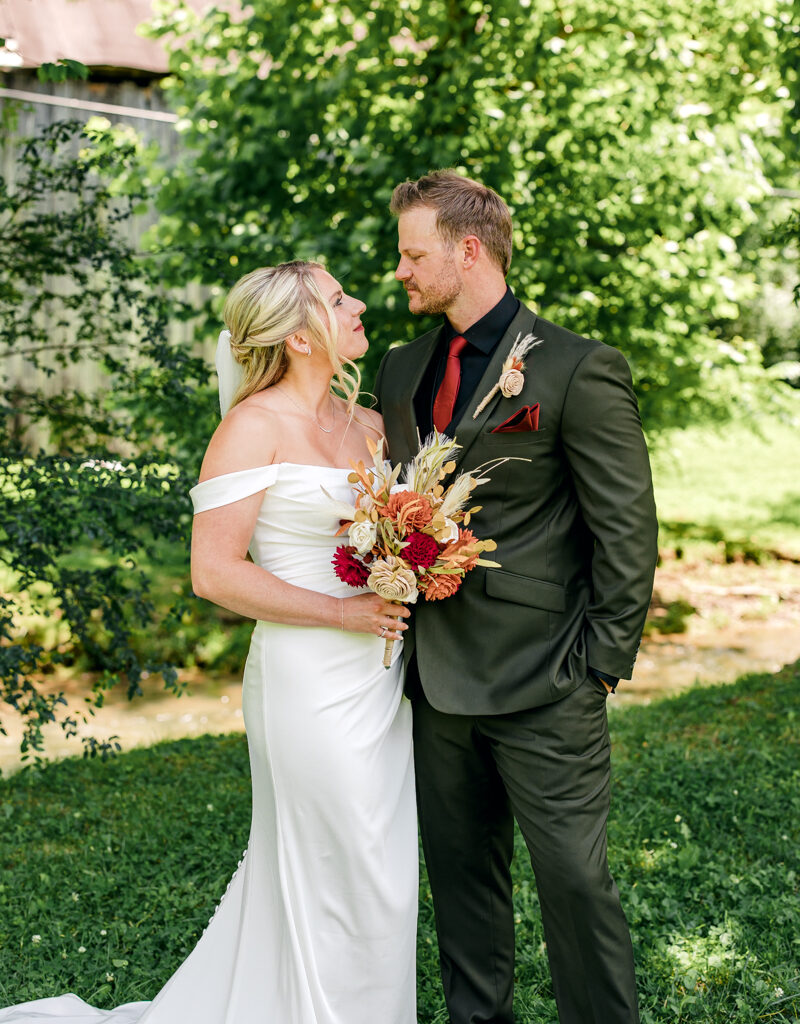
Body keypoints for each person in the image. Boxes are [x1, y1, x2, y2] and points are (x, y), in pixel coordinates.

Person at [0, 261, 417, 1024]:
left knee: (381, 866)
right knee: (338, 856)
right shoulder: (251, 428)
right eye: (336, 299)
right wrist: (343, 615)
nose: (357, 304)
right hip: (307, 680)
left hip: (381, 676)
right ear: (298, 338)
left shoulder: (370, 423)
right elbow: (215, 574)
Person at [375, 171, 659, 1024]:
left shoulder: (578, 368)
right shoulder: (399, 370)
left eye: (413, 254)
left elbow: (627, 531)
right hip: (432, 684)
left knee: (575, 882)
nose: (401, 271)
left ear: (468, 251)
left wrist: (599, 666)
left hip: (546, 683)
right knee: (462, 889)